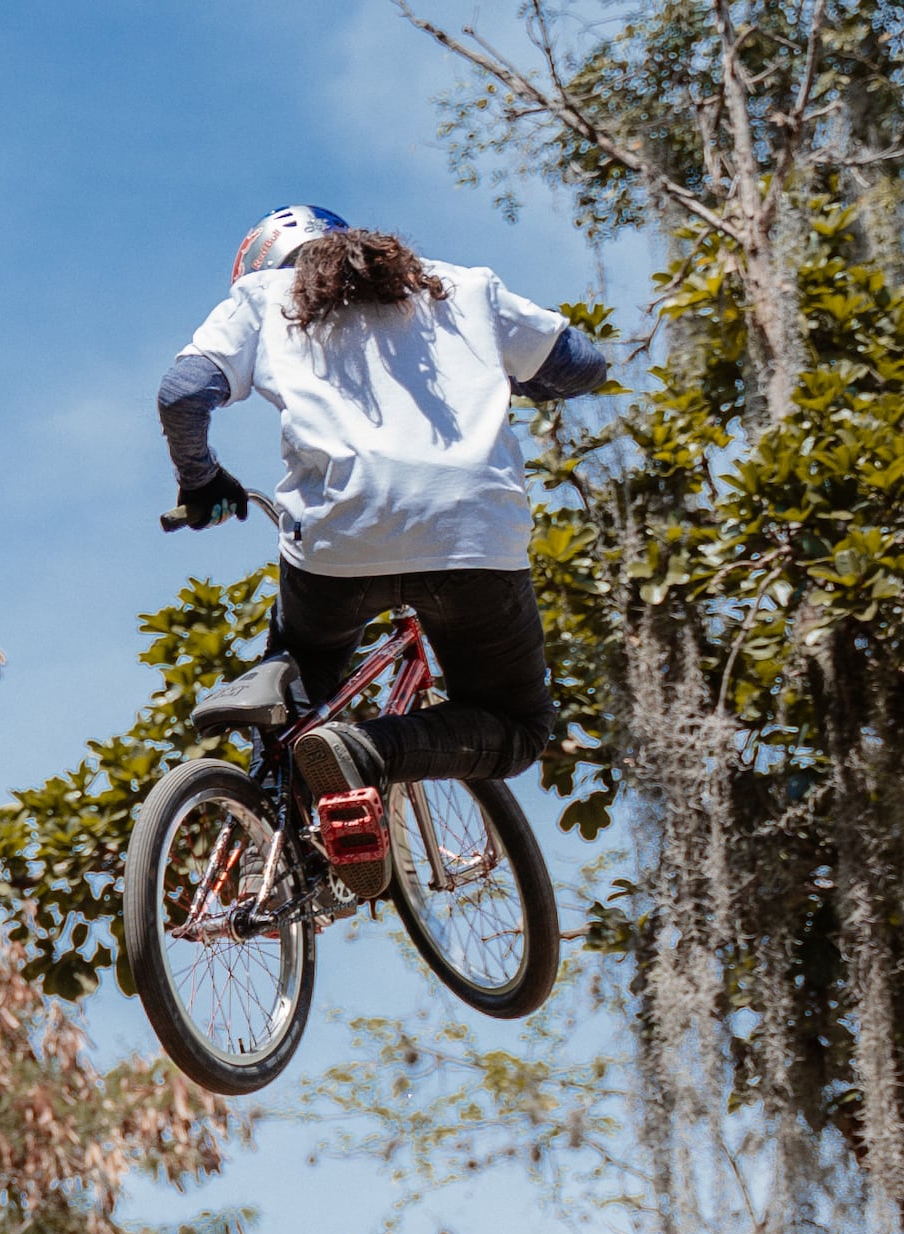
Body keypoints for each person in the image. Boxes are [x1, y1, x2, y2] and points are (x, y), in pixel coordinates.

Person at [155, 204, 613, 811]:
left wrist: (202, 478)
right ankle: (367, 752)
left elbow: (183, 392)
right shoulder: (464, 287)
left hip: (339, 541)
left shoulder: (262, 297)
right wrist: (516, 378)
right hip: (473, 533)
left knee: (301, 676)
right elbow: (585, 364)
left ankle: (276, 792)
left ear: (258, 265)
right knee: (515, 725)